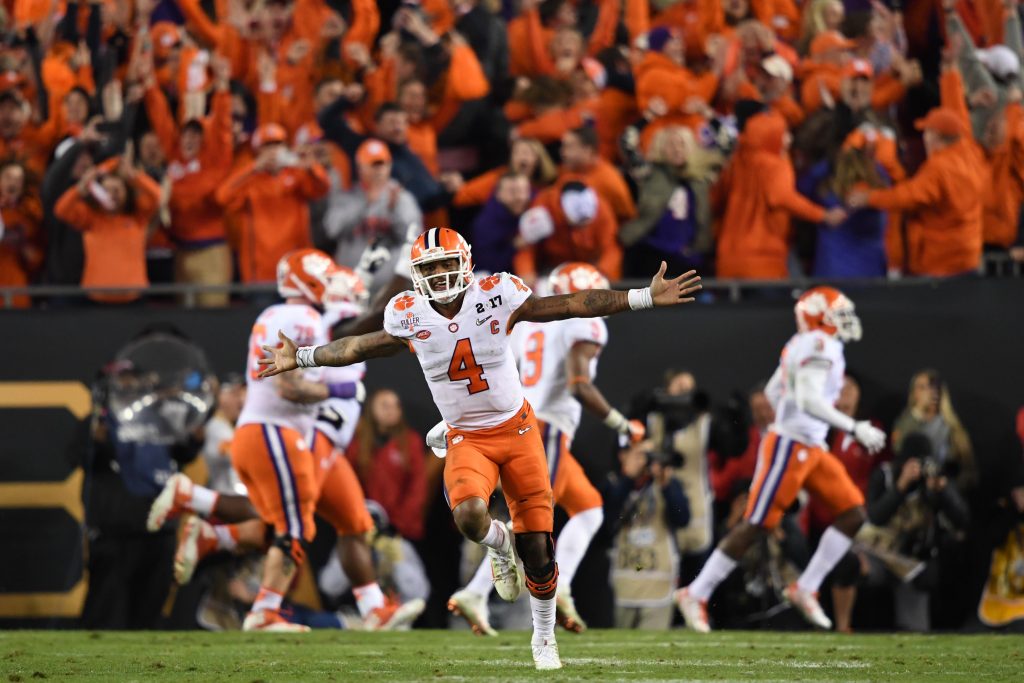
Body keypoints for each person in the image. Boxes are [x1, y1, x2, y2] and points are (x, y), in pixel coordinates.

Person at [258, 227, 702, 669]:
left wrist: (643, 296)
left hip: (520, 430)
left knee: (540, 554)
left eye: (445, 264)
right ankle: (497, 542)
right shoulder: (408, 313)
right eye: (428, 268)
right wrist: (302, 357)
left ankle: (543, 638)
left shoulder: (496, 293)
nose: (438, 275)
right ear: (416, 274)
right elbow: (357, 345)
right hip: (466, 435)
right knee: (469, 515)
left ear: (465, 262)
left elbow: (569, 304)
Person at [447, 262, 645, 637]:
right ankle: (475, 593)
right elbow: (578, 384)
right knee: (532, 522)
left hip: (526, 421)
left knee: (589, 508)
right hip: (544, 429)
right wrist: (623, 424)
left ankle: (564, 584)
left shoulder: (528, 324)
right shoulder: (582, 321)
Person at [675, 286, 887, 632]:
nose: (843, 319)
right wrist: (852, 427)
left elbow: (775, 391)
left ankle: (805, 587)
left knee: (852, 514)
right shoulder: (819, 344)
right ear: (818, 316)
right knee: (757, 524)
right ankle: (695, 593)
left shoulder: (804, 343)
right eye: (836, 312)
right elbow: (805, 399)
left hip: (810, 446)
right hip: (791, 445)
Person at [846, 105, 986, 277]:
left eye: (927, 132)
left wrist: (869, 198)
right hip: (969, 254)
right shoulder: (971, 154)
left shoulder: (940, 167)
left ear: (936, 136)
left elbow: (907, 197)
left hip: (942, 261)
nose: (924, 137)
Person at [607, 438, 691, 630]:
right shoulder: (615, 483)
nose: (646, 462)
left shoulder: (667, 484)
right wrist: (628, 478)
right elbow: (607, 519)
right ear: (624, 456)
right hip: (625, 584)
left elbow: (683, 519)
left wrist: (666, 485)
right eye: (640, 455)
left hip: (657, 585)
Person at [322, 139, 422, 293]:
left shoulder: (401, 198)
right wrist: (365, 204)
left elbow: (413, 240)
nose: (378, 170)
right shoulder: (346, 197)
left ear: (389, 166)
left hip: (392, 288)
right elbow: (332, 231)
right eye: (373, 165)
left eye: (382, 164)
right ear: (360, 168)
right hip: (352, 286)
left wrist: (394, 212)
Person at [346, 389, 428, 542]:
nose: (392, 411)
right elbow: (347, 483)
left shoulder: (410, 442)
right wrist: (361, 518)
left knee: (406, 565)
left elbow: (418, 488)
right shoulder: (359, 443)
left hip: (399, 532)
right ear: (372, 409)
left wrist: (398, 524)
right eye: (385, 405)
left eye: (396, 406)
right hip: (362, 528)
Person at [892, 369, 976, 492]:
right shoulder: (904, 424)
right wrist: (917, 414)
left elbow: (969, 472)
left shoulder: (953, 430)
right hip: (910, 493)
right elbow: (898, 451)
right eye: (922, 388)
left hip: (943, 494)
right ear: (914, 393)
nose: (929, 392)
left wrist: (948, 485)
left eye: (932, 387)